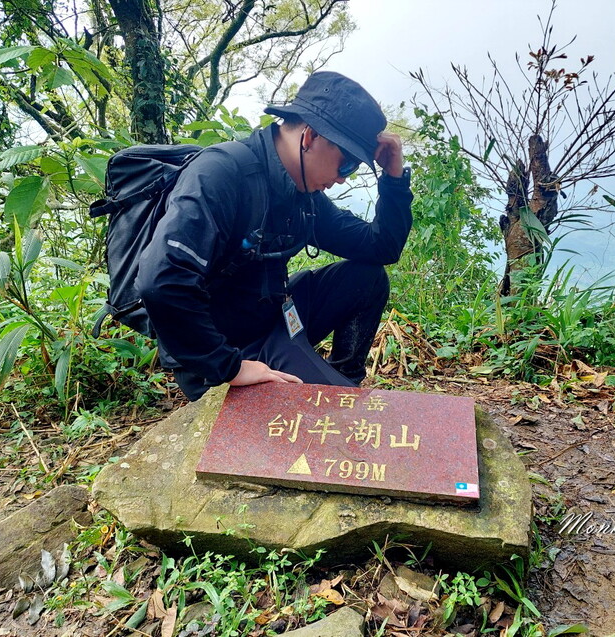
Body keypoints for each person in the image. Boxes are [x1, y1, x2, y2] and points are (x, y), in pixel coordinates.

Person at [136, 71, 413, 401]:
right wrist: (230, 367)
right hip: (223, 349)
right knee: (337, 415)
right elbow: (160, 281)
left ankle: (343, 383)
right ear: (310, 136)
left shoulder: (304, 197)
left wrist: (394, 180)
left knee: (367, 279)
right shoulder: (221, 173)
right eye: (347, 164)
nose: (343, 178)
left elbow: (380, 247)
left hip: (273, 318)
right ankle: (332, 393)